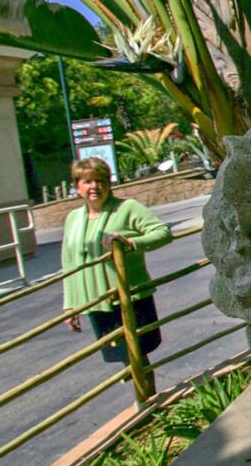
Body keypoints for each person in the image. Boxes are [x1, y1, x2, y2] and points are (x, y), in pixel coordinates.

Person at [61, 157, 171, 366]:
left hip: (130, 297)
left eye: (101, 180)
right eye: (87, 181)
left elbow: (163, 233)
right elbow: (68, 263)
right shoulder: (73, 218)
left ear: (109, 184)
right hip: (97, 303)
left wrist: (131, 243)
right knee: (123, 358)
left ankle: (146, 398)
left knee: (137, 355)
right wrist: (70, 306)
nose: (95, 186)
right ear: (77, 188)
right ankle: (144, 398)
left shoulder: (127, 208)